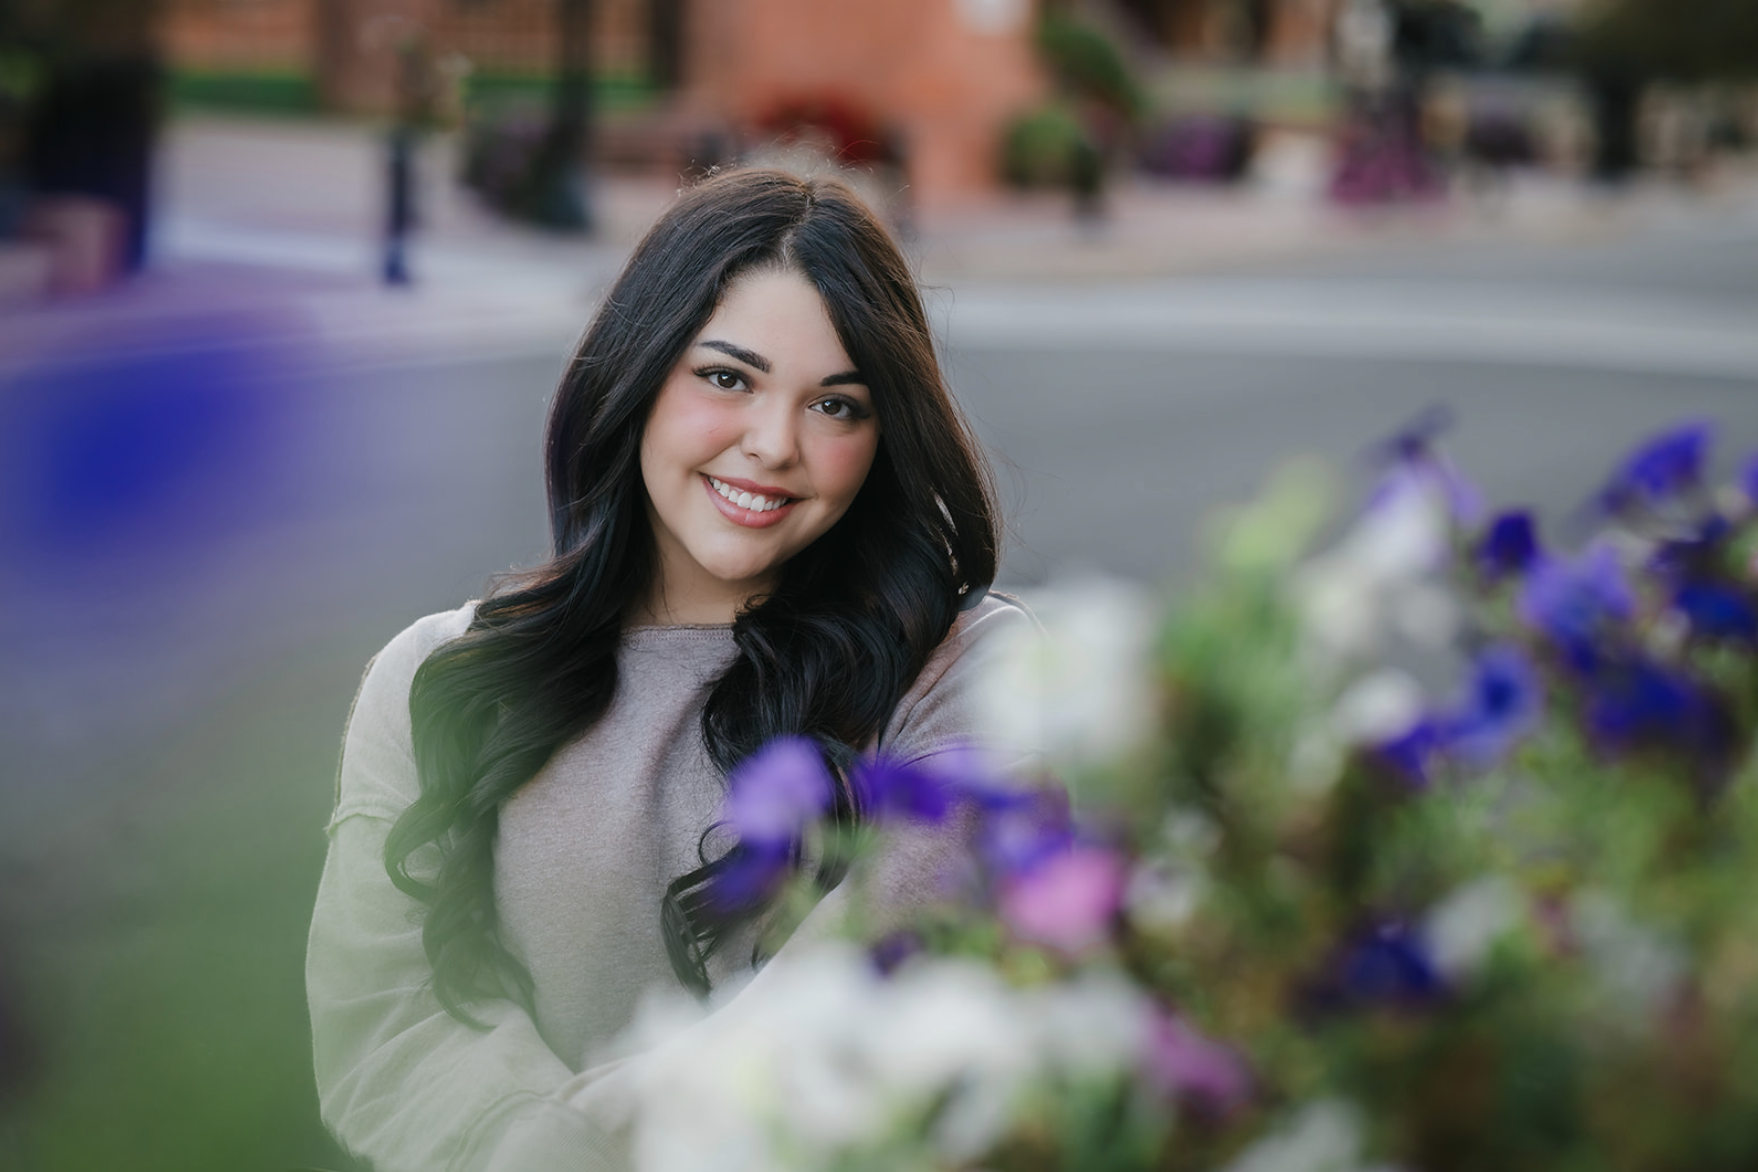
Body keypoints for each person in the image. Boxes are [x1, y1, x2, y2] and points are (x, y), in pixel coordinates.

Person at [306, 168, 1031, 1172]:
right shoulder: (436, 674)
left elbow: (894, 944)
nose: (775, 445)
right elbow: (383, 1022)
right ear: (639, 373)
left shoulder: (963, 671)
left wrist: (626, 1127)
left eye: (836, 404)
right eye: (727, 378)